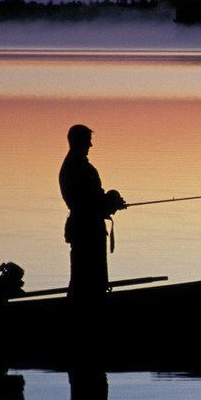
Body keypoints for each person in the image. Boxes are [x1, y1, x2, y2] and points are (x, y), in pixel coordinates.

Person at [59, 125, 125, 297]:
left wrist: (110, 202)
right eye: (88, 141)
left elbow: (92, 200)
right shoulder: (77, 168)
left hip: (85, 227)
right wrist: (110, 203)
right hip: (86, 230)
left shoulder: (75, 166)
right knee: (87, 279)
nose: (90, 145)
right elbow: (88, 202)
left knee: (87, 278)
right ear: (79, 142)